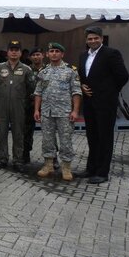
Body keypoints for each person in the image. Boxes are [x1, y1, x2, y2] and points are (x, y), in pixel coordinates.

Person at [77, 26, 129, 184]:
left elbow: (123, 76)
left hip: (106, 102)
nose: (93, 41)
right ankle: (91, 168)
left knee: (104, 137)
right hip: (89, 102)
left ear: (101, 39)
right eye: (90, 39)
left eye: (95, 38)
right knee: (92, 136)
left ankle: (102, 172)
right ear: (86, 40)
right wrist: (82, 85)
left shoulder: (111, 54)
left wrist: (109, 92)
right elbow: (83, 75)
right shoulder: (83, 55)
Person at [34, 43, 82, 181]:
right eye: (51, 51)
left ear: (62, 54)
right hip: (46, 112)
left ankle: (66, 167)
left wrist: (75, 111)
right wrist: (37, 109)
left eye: (57, 51)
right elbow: (38, 92)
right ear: (47, 54)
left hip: (64, 112)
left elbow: (76, 92)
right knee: (47, 140)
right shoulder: (43, 71)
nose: (54, 53)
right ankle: (48, 165)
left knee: (65, 141)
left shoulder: (70, 70)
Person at [0, 40, 35, 172]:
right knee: (2, 133)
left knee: (18, 134)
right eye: (12, 49)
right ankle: (2, 159)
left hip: (19, 106)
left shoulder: (27, 69)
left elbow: (31, 89)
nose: (14, 52)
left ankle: (18, 160)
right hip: (2, 105)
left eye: (17, 50)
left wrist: (23, 102)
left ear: (21, 53)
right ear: (8, 52)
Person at [23, 47, 46, 164]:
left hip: (46, 105)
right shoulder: (26, 70)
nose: (36, 57)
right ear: (30, 57)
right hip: (29, 105)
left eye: (38, 54)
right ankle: (25, 154)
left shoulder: (49, 69)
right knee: (26, 131)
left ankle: (52, 158)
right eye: (34, 55)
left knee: (49, 132)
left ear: (43, 55)